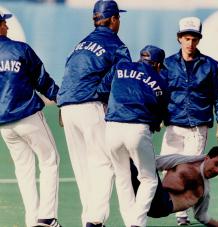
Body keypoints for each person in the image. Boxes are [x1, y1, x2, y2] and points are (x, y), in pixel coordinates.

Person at [56, 0, 131, 226]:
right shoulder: (116, 45)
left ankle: (88, 218)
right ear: (114, 19)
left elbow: (69, 71)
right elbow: (122, 74)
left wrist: (63, 103)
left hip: (68, 107)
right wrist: (100, 91)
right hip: (90, 105)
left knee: (82, 167)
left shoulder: (81, 44)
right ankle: (95, 220)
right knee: (104, 162)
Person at [160, 16, 218, 225]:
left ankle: (182, 213)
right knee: (167, 167)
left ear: (199, 39)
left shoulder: (211, 65)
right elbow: (159, 92)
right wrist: (156, 117)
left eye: (194, 38)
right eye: (186, 38)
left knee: (191, 171)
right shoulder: (167, 64)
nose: (190, 43)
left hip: (198, 126)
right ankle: (168, 204)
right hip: (174, 124)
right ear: (179, 38)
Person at [0, 11, 61, 227]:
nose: (7, 26)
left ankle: (32, 221)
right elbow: (42, 79)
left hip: (4, 125)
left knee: (23, 170)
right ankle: (47, 217)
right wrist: (60, 99)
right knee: (50, 160)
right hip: (27, 116)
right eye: (4, 22)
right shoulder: (19, 49)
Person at [97, 45, 168, 227]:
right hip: (136, 128)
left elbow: (103, 89)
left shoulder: (121, 67)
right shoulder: (159, 79)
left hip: (112, 127)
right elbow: (160, 111)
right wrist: (154, 123)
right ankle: (137, 223)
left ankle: (130, 223)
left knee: (122, 177)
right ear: (158, 64)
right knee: (149, 179)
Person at [131, 146, 218, 227]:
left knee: (132, 158)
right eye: (216, 164)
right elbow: (154, 162)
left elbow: (201, 215)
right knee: (132, 160)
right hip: (145, 195)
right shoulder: (183, 161)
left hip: (162, 205)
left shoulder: (204, 190)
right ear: (206, 158)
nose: (217, 170)